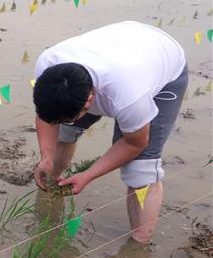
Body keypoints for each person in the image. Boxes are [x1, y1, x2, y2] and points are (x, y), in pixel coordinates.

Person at [32, 21, 188, 244]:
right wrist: (46, 156)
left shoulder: (128, 96)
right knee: (63, 134)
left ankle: (138, 247)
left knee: (141, 170)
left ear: (89, 102)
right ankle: (51, 187)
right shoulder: (48, 68)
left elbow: (135, 144)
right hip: (121, 44)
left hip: (163, 60)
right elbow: (47, 116)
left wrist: (88, 175)